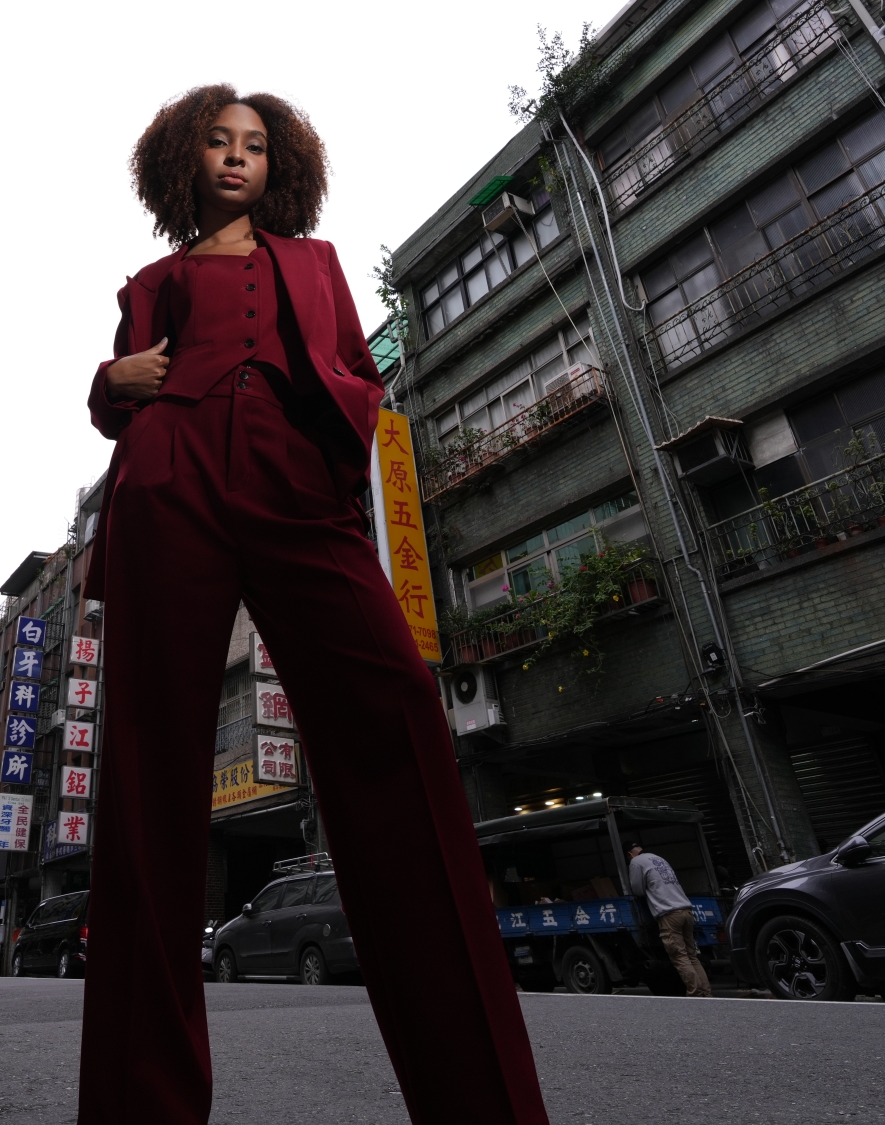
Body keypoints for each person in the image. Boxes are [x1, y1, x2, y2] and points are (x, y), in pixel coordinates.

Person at [79, 85, 550, 1125]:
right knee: (150, 778)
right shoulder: (150, 281)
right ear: (179, 161)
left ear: (280, 163)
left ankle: (481, 1103)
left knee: (394, 717)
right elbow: (113, 404)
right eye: (216, 142)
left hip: (295, 486)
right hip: (171, 485)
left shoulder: (315, 263)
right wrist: (113, 380)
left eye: (254, 145)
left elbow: (353, 369)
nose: (236, 158)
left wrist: (325, 454)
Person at [627, 842, 712, 997]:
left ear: (629, 854)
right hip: (686, 910)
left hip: (669, 914)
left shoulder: (636, 862)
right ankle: (706, 993)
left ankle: (695, 994)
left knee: (680, 957)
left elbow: (637, 889)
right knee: (692, 955)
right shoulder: (658, 858)